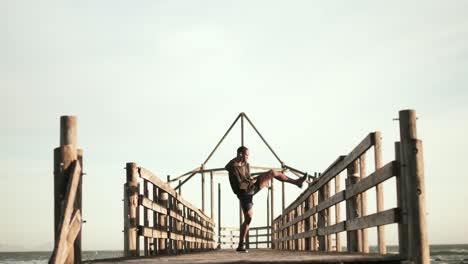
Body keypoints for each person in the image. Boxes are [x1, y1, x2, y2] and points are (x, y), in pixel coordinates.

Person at [225, 146, 307, 252]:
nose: (248, 157)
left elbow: (248, 178)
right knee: (248, 218)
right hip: (243, 193)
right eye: (246, 155)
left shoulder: (245, 164)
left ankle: (297, 182)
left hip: (251, 187)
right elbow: (240, 185)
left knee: (272, 172)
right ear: (240, 154)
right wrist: (253, 181)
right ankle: (241, 245)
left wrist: (255, 180)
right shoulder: (233, 167)